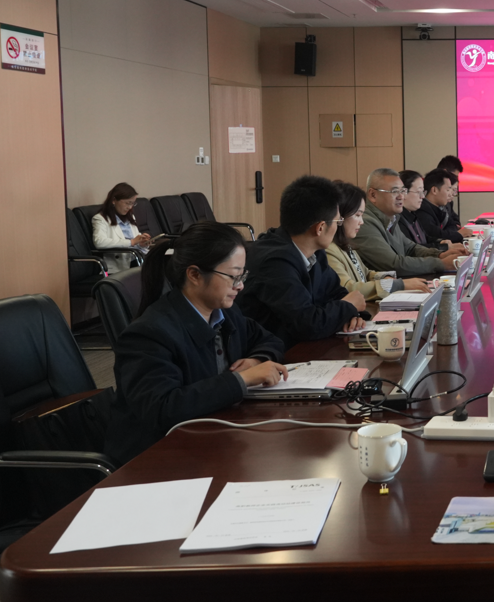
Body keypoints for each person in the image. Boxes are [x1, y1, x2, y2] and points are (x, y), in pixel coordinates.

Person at [105, 221, 287, 465]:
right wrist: (242, 380)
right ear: (194, 275)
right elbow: (163, 408)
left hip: (212, 437)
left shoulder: (224, 311)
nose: (240, 285)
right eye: (233, 276)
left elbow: (269, 339)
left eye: (242, 275)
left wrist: (256, 359)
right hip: (158, 457)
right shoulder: (148, 333)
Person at [236, 175, 367, 348]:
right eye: (338, 221)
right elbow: (307, 324)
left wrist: (351, 315)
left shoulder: (314, 251)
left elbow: (336, 293)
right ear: (320, 228)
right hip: (272, 354)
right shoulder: (274, 263)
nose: (338, 227)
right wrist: (349, 306)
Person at [325, 181, 431, 307]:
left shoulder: (345, 245)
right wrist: (398, 285)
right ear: (339, 216)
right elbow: (348, 288)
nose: (361, 222)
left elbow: (366, 273)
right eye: (357, 215)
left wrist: (387, 279)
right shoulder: (329, 250)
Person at [353, 168, 466, 277]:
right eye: (395, 191)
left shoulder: (391, 217)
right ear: (373, 195)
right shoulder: (364, 223)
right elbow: (394, 264)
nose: (401, 196)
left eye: (402, 191)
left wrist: (440, 254)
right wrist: (441, 264)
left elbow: (410, 248)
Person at [91, 182, 152, 273]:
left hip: (137, 258)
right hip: (121, 265)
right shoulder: (100, 219)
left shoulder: (130, 217)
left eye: (132, 203)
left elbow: (134, 239)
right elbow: (99, 242)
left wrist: (141, 243)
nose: (130, 207)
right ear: (114, 200)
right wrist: (131, 242)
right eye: (127, 203)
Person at [417, 168, 469, 244]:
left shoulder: (441, 207)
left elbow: (453, 225)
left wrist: (447, 233)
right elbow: (436, 235)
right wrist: (458, 234)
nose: (450, 194)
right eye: (448, 190)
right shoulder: (422, 210)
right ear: (434, 190)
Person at [437, 154, 464, 230]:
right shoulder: (428, 202)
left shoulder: (449, 200)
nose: (455, 179)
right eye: (454, 176)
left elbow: (455, 220)